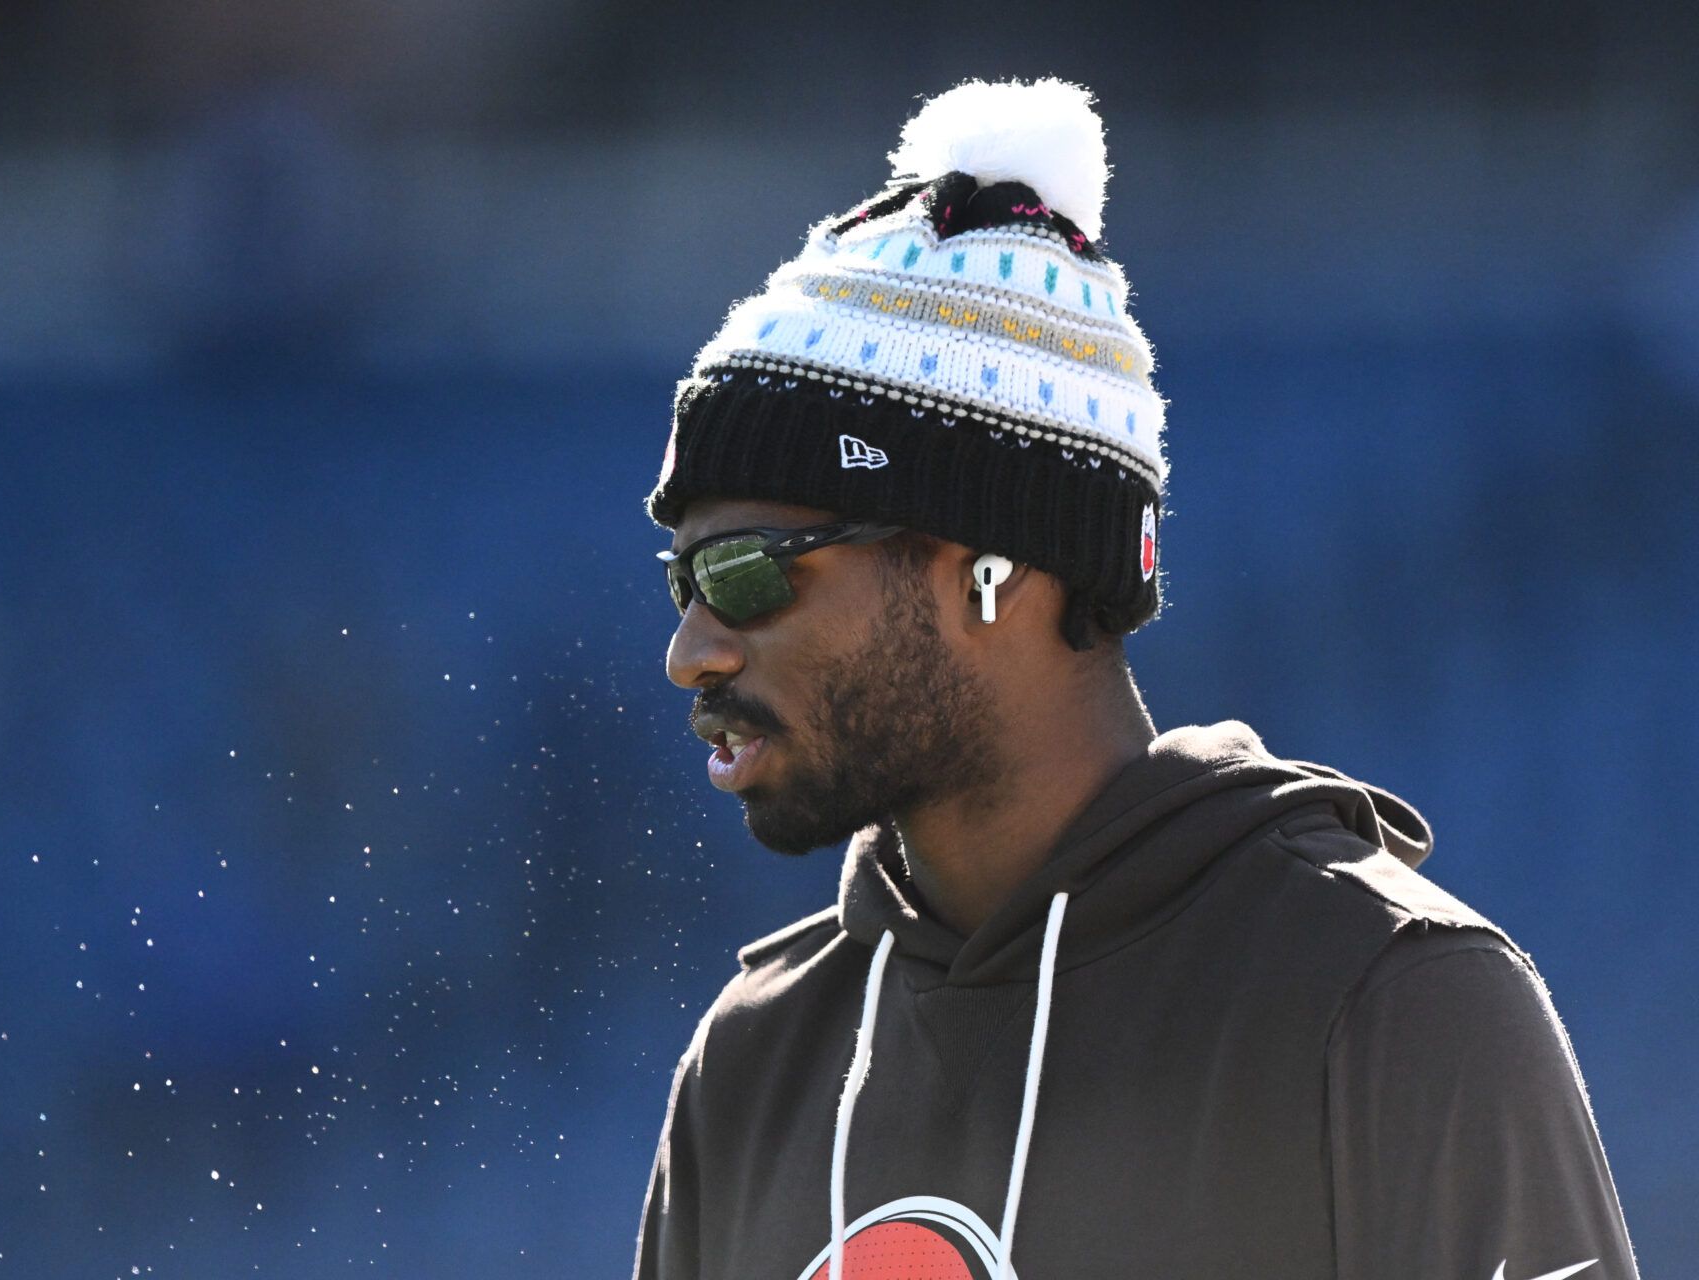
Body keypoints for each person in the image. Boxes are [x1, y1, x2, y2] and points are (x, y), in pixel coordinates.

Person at [632, 77, 1638, 1280]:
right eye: (680, 579)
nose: (693, 648)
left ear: (986, 571)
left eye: (744, 572)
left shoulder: (1388, 1004)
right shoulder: (751, 1067)